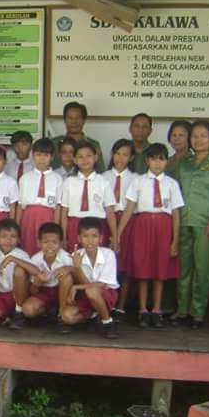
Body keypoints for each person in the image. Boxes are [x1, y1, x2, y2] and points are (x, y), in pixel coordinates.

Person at [173, 120, 209, 329]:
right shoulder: (184, 164)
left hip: (205, 223)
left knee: (202, 268)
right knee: (184, 268)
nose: (198, 140)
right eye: (194, 136)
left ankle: (197, 313)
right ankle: (182, 310)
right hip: (184, 221)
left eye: (203, 136)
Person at [118, 143, 184, 329]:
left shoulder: (172, 184)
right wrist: (119, 233)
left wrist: (175, 241)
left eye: (161, 159)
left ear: (166, 161)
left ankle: (156, 309)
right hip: (142, 226)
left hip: (164, 228)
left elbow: (176, 214)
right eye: (153, 158)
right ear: (147, 160)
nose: (157, 163)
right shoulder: (138, 181)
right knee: (143, 270)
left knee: (159, 271)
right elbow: (130, 208)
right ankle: (142, 310)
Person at [62, 218, 119, 339]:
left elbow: (102, 285)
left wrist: (76, 286)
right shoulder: (75, 256)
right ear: (79, 238)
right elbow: (85, 283)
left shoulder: (108, 254)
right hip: (86, 296)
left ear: (101, 238)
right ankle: (93, 316)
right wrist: (76, 268)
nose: (90, 241)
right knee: (67, 316)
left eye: (94, 236)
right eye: (85, 236)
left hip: (106, 295)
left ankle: (107, 322)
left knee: (91, 291)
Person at [14, 223, 73, 330]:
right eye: (46, 242)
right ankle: (47, 313)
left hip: (62, 293)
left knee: (67, 277)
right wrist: (37, 282)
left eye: (54, 242)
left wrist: (69, 268)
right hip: (44, 293)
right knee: (28, 310)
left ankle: (61, 316)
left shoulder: (67, 258)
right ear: (39, 243)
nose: (50, 246)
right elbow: (32, 290)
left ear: (61, 244)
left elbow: (76, 277)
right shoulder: (35, 259)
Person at [60, 140, 117, 252]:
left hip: (98, 225)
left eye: (88, 156)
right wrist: (63, 236)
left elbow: (110, 211)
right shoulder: (69, 182)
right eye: (80, 157)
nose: (85, 160)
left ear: (95, 157)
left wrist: (114, 235)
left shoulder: (104, 182)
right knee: (75, 259)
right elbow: (64, 212)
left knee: (97, 259)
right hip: (75, 226)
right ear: (75, 160)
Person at [102, 139, 137, 318]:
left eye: (125, 155)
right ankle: (105, 303)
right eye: (117, 153)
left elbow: (131, 207)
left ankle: (121, 305)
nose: (120, 158)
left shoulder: (136, 179)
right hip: (106, 222)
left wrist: (119, 233)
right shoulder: (103, 177)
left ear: (131, 157)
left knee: (124, 265)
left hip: (127, 221)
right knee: (106, 264)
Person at [17, 138, 63, 255]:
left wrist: (56, 227)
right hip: (29, 218)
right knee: (28, 246)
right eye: (38, 154)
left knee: (47, 247)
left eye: (46, 155)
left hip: (48, 216)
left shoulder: (58, 179)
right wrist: (17, 228)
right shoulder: (25, 178)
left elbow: (58, 206)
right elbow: (20, 206)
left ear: (52, 157)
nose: (42, 158)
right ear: (33, 155)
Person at [51, 102, 105, 172]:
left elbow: (100, 171)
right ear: (64, 120)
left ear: (84, 120)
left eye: (78, 117)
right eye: (70, 118)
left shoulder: (94, 144)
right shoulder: (54, 143)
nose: (74, 121)